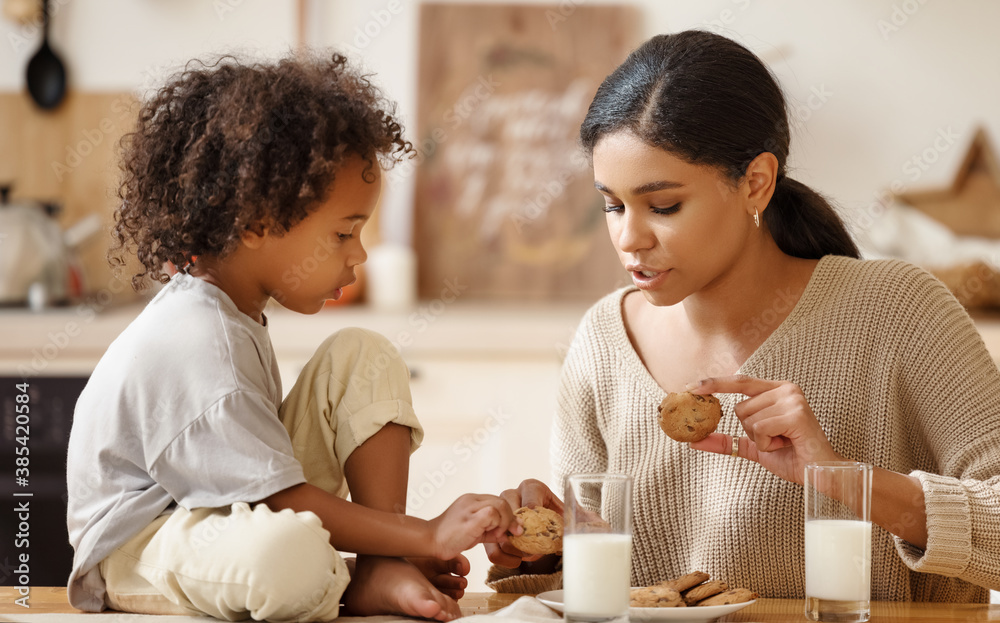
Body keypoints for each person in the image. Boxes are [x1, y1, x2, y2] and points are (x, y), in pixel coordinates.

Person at [488, 30, 1000, 602]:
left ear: (755, 183)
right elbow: (603, 595)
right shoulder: (603, 339)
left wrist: (836, 476)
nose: (629, 237)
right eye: (612, 204)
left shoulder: (899, 310)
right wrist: (545, 547)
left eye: (664, 206)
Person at [65, 53, 521, 623]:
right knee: (290, 557)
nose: (358, 255)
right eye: (343, 233)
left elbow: (262, 490)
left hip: (233, 506)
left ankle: (379, 564)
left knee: (363, 353)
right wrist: (426, 534)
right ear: (256, 223)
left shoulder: (231, 309)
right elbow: (277, 502)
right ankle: (355, 575)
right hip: (146, 543)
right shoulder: (195, 339)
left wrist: (404, 538)